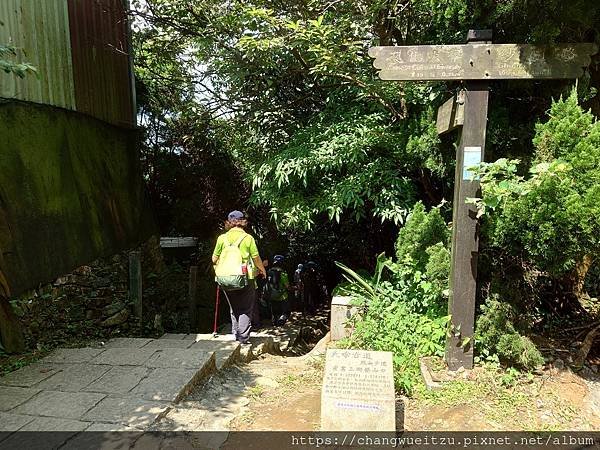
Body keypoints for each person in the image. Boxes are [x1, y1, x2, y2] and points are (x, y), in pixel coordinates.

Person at [212, 210, 266, 344]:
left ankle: (235, 333)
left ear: (229, 222)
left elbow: (214, 259)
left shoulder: (221, 238)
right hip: (246, 277)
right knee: (246, 308)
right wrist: (262, 269)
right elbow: (256, 258)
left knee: (234, 307)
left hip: (226, 278)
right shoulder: (248, 238)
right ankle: (243, 338)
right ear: (243, 222)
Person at [264, 255, 290, 326]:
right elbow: (287, 285)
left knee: (274, 310)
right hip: (282, 295)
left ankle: (274, 321)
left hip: (271, 294)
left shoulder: (269, 271)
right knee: (284, 311)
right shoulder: (283, 273)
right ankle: (281, 321)